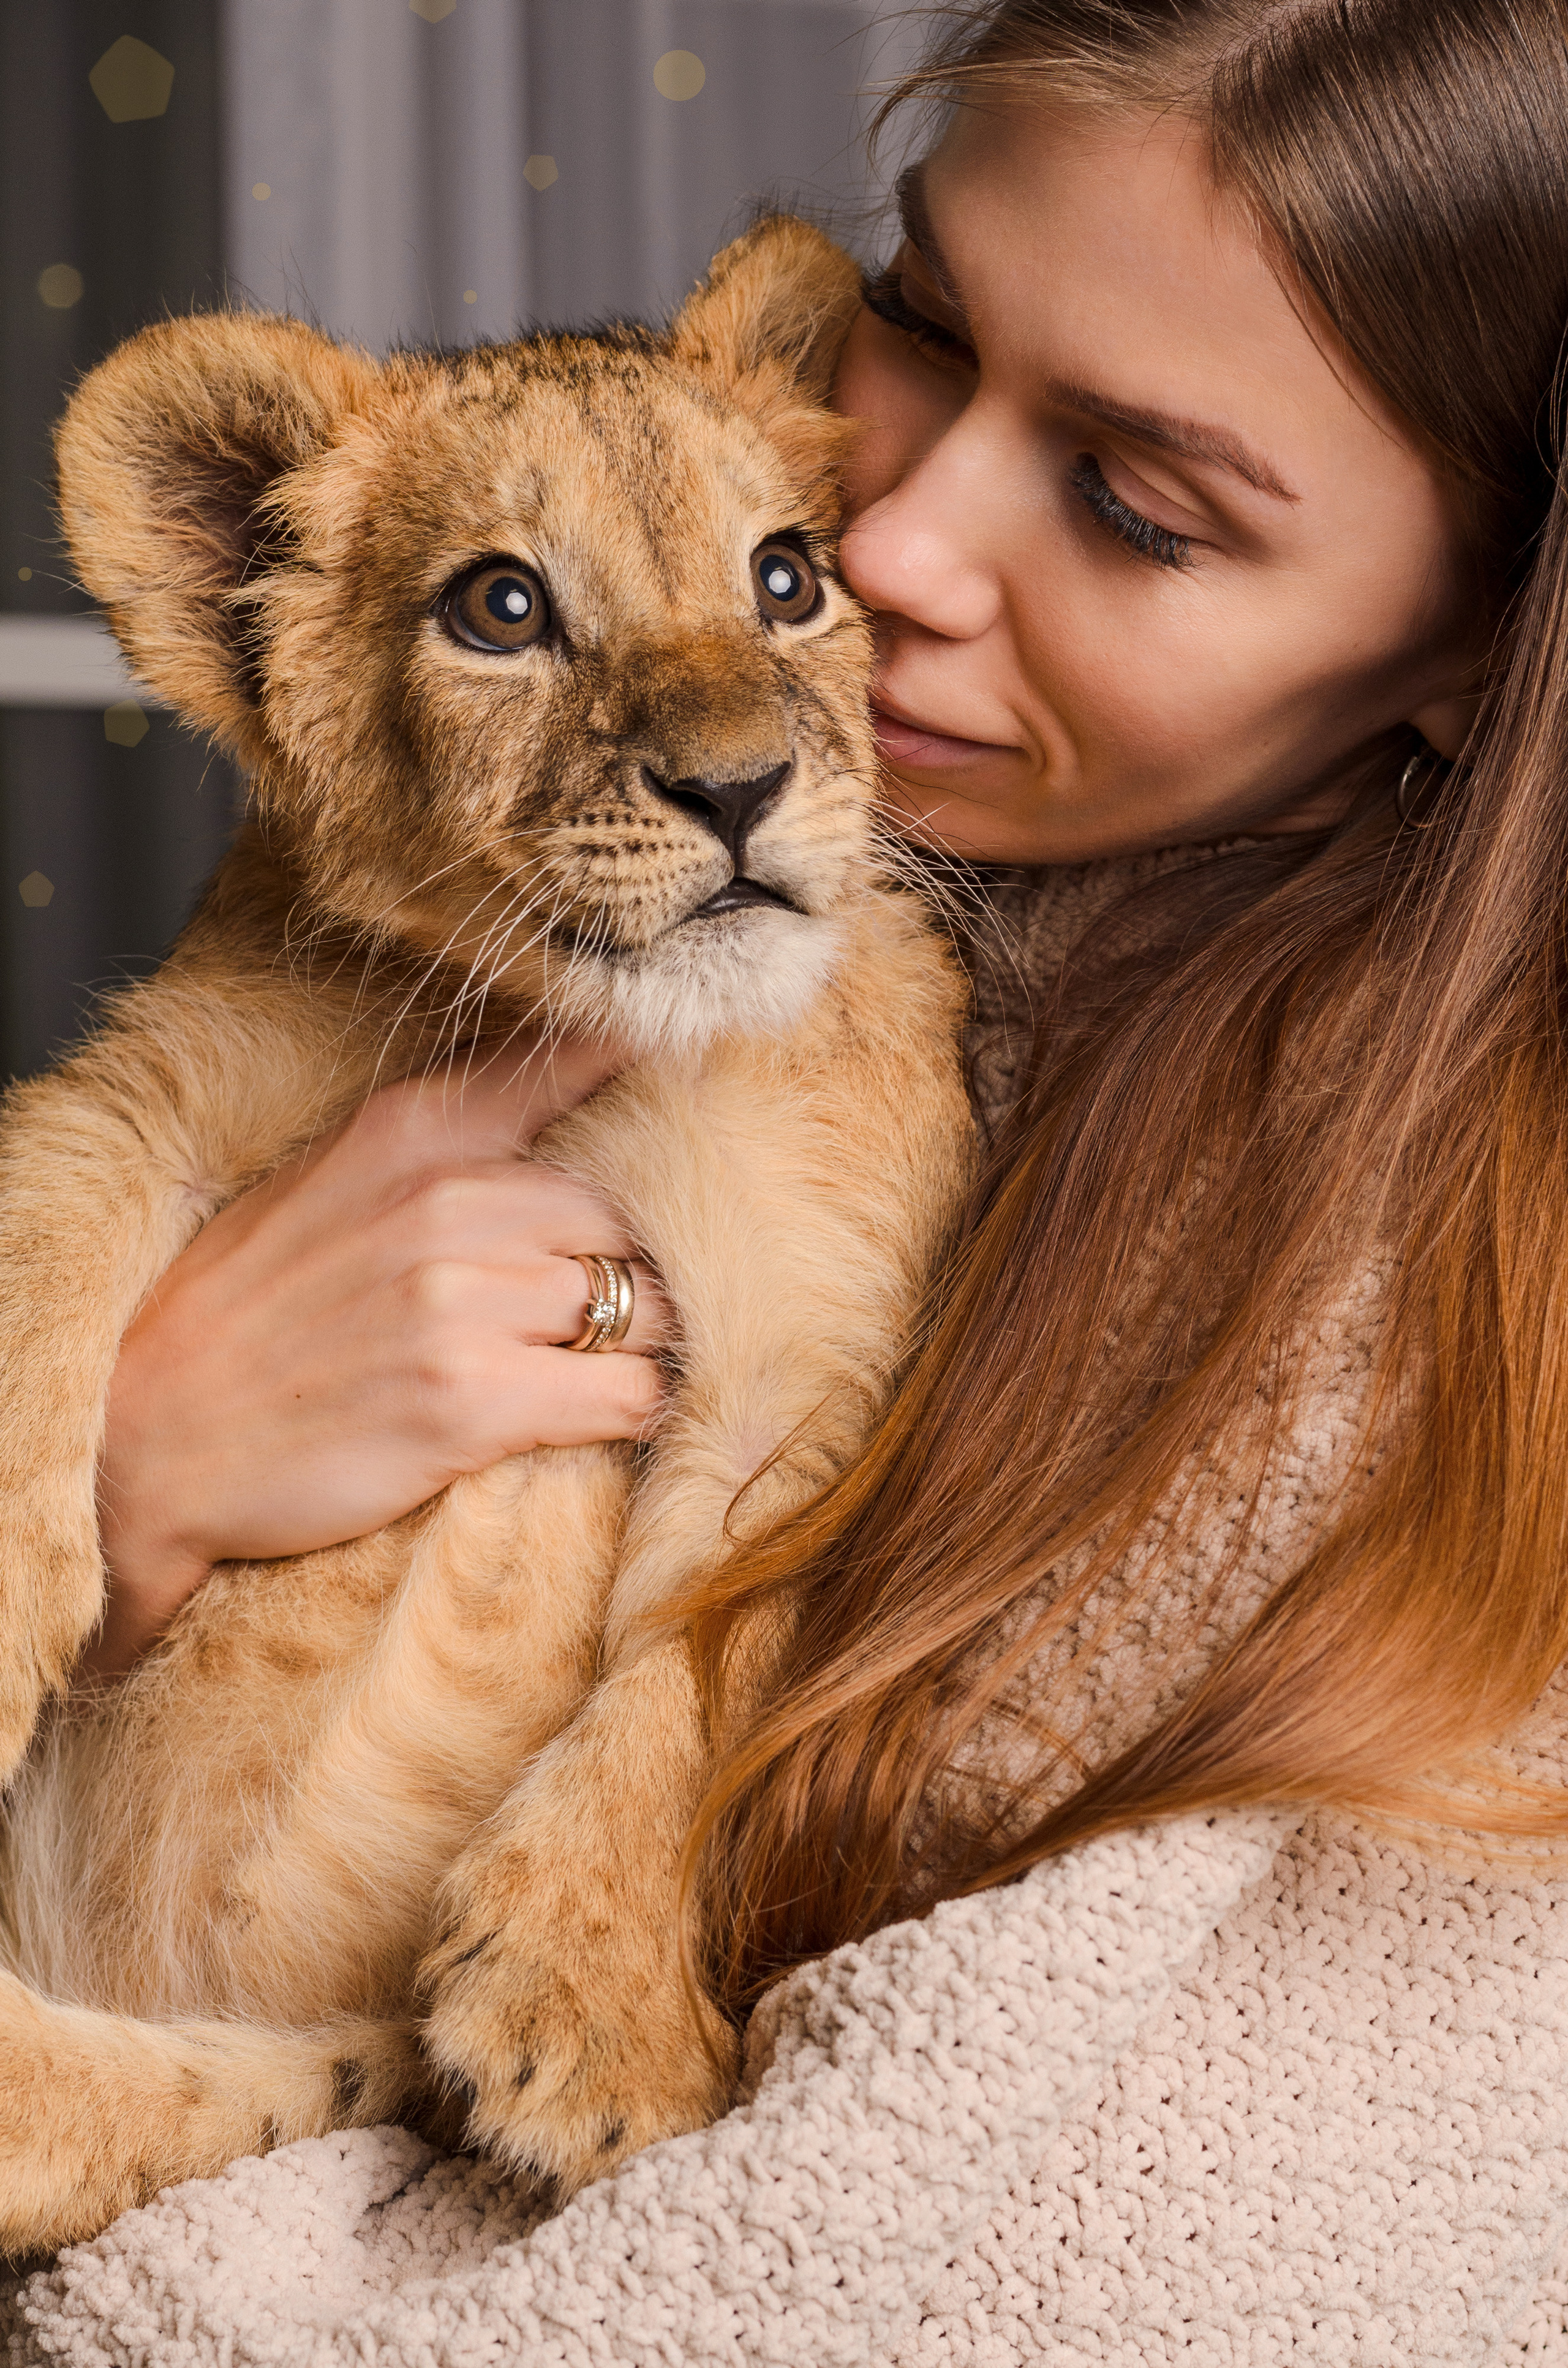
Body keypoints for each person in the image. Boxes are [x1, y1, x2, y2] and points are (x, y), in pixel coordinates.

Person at [70, 0, 1568, 2350]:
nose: (879, 540)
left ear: (1490, 642)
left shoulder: (1404, 1323)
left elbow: (977, 2275)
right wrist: (142, 1470)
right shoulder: (739, 879)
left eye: (1141, 504)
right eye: (924, 321)